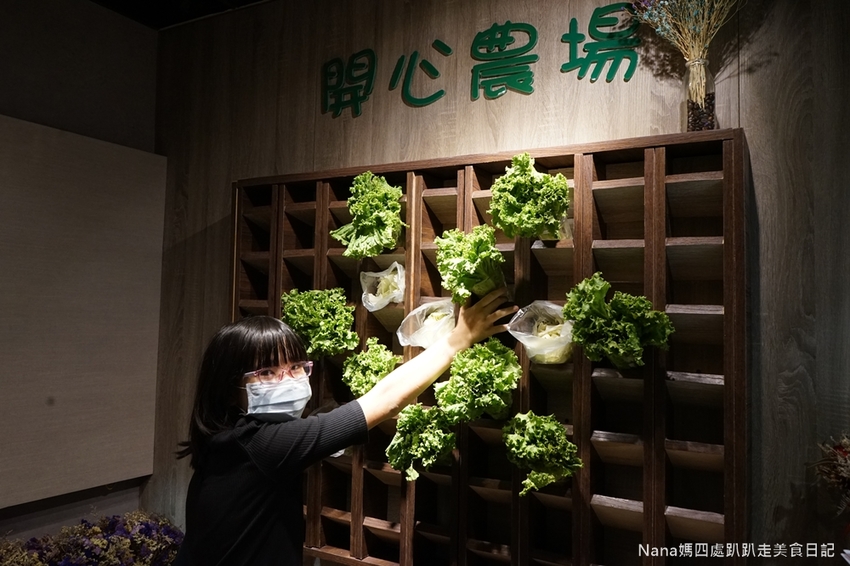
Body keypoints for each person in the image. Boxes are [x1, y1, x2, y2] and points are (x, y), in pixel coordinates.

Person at [174, 288, 515, 566]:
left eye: (296, 367)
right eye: (266, 373)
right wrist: (457, 340)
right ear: (229, 386)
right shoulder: (265, 445)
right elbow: (386, 399)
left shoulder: (225, 439)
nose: (288, 380)